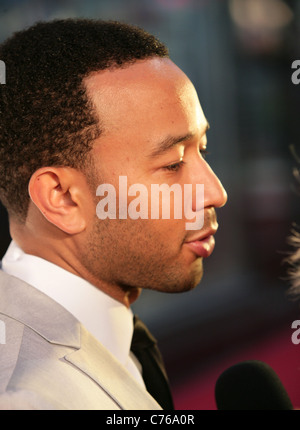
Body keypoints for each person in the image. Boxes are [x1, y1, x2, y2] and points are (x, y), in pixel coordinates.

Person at [0, 19, 227, 410]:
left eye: (202, 149)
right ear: (63, 197)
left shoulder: (105, 337)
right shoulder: (29, 398)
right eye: (173, 164)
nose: (216, 193)